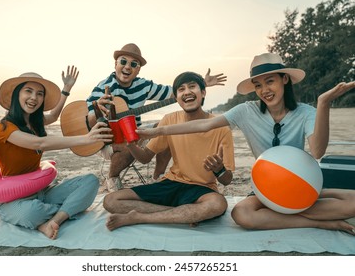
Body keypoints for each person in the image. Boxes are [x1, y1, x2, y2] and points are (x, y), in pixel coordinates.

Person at [137, 53, 355, 235]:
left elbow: (317, 151)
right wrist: (157, 130)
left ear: (284, 80)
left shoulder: (306, 112)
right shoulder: (246, 111)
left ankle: (295, 209)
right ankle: (318, 221)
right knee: (241, 214)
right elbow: (204, 126)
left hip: (300, 185)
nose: (264, 90)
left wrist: (323, 103)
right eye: (258, 85)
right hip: (266, 188)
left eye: (270, 81)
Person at [103, 71, 235, 231]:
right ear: (177, 97)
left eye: (192, 87)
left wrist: (218, 169)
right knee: (110, 201)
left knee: (218, 204)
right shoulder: (169, 120)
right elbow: (145, 158)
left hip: (203, 189)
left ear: (203, 92)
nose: (187, 92)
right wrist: (131, 145)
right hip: (172, 182)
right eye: (181, 89)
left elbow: (227, 180)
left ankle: (139, 217)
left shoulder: (220, 126)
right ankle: (184, 214)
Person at [86, 43, 227, 192]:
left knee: (166, 130)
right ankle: (112, 177)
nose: (127, 67)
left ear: (138, 69)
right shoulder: (103, 87)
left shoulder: (144, 86)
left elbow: (175, 93)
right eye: (123, 61)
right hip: (106, 141)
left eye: (133, 64)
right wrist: (96, 111)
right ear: (116, 63)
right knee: (129, 143)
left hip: (135, 133)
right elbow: (86, 121)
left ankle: (157, 178)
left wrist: (202, 83)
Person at [0, 67, 113, 239]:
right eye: (28, 91)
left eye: (40, 93)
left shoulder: (36, 122)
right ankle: (64, 210)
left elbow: (54, 116)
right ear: (16, 94)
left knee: (91, 182)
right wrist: (86, 138)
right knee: (31, 212)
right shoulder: (3, 128)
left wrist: (66, 89)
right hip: (14, 199)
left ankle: (55, 220)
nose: (34, 97)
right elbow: (39, 143)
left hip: (42, 192)